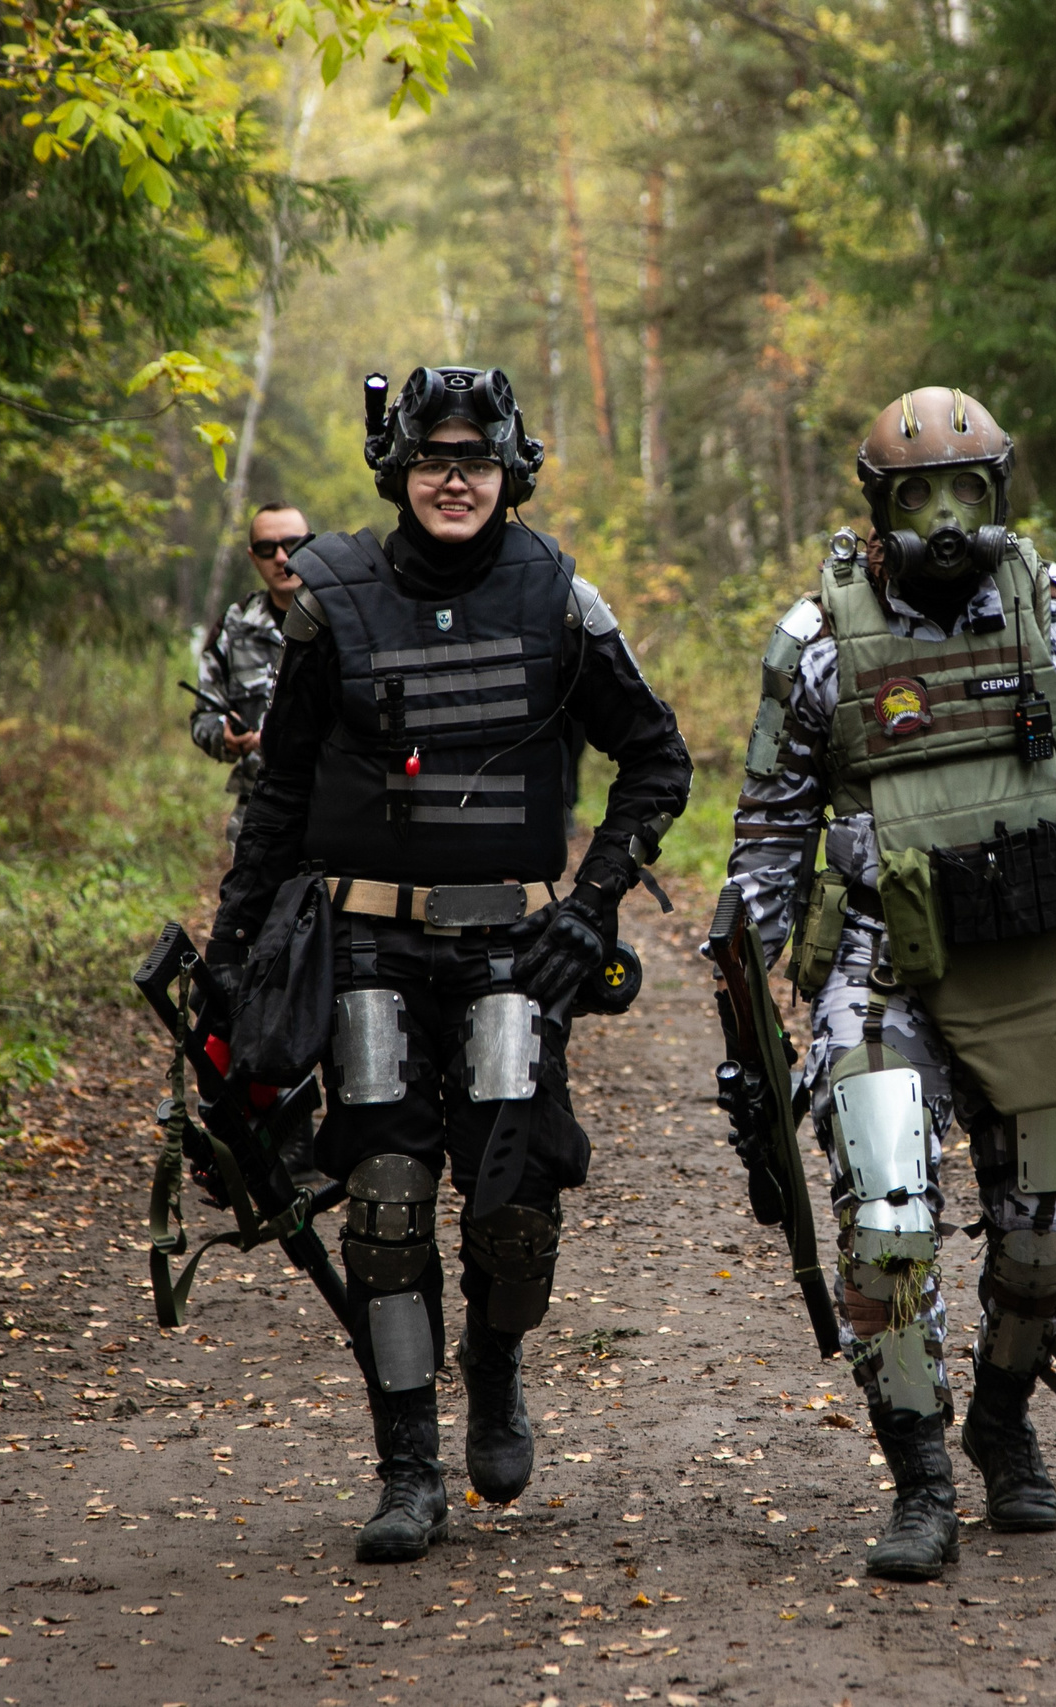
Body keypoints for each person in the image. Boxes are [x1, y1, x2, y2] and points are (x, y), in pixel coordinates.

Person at [724, 386, 1056, 1581]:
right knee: (888, 1226)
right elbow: (766, 840)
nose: (948, 519)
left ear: (1002, 494)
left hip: (1025, 957)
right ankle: (917, 1479)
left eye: (969, 492)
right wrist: (745, 1017)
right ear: (879, 507)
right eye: (920, 498)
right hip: (878, 964)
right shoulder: (815, 643)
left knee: (1039, 1247)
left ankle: (1001, 1420)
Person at [207, 366, 690, 1564]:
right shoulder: (328, 603)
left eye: (475, 460)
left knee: (512, 1210)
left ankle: (496, 1364)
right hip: (368, 939)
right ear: (399, 473)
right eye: (432, 461)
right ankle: (407, 1466)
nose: (454, 479)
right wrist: (231, 951)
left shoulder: (559, 597)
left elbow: (656, 759)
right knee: (384, 1204)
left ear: (510, 471)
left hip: (519, 949)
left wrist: (592, 905)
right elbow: (279, 790)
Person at [191, 502, 311, 843]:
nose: (281, 557)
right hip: (257, 813)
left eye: (292, 544)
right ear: (252, 556)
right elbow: (203, 717)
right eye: (266, 548)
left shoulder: (341, 618)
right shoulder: (234, 626)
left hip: (332, 807)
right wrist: (224, 736)